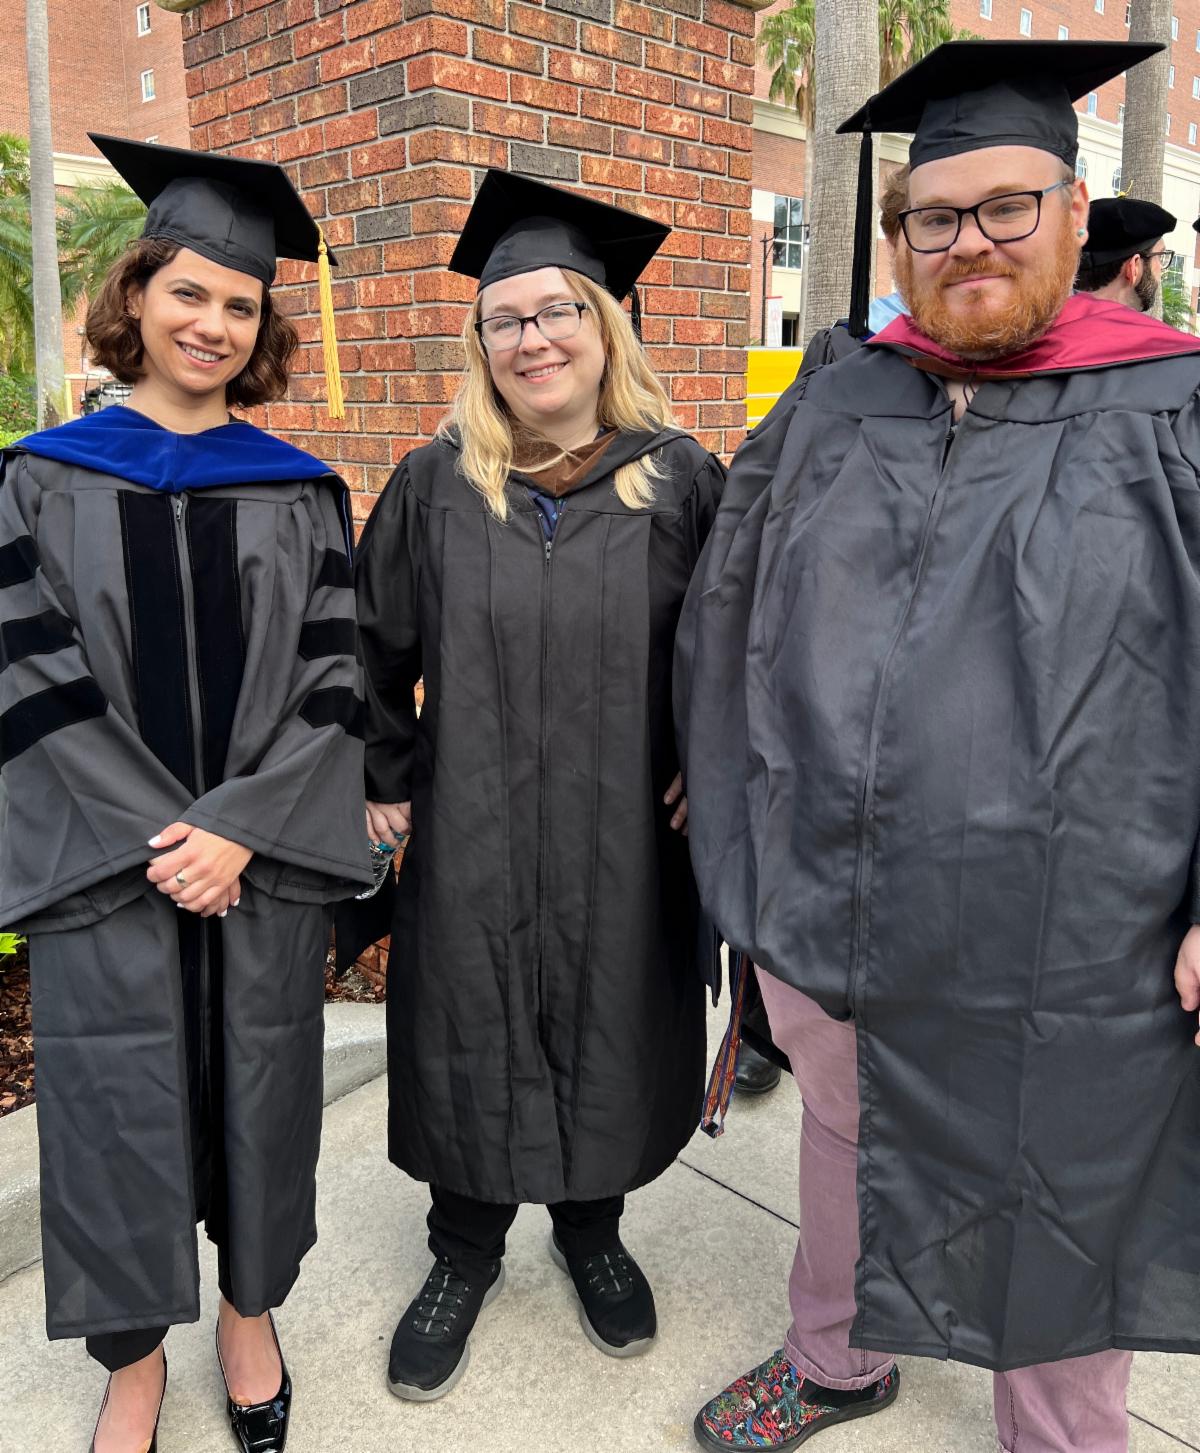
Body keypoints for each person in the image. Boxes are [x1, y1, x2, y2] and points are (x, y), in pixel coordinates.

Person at [678, 38, 1200, 1453]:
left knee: (1064, 1177)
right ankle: (836, 1354)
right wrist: (729, 806)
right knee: (848, 1132)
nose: (967, 241)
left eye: (1005, 208)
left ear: (1075, 215)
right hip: (839, 895)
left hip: (1078, 920)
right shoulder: (840, 395)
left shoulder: (1172, 407)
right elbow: (731, 610)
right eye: (935, 215)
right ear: (900, 234)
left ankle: (1063, 1437)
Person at [0, 135, 372, 1453]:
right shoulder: (37, 479)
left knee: (264, 1094)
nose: (213, 322)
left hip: (253, 868)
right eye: (189, 292)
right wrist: (168, 835)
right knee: (112, 1111)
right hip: (109, 868)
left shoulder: (304, 494)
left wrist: (238, 827)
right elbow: (25, 682)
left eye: (240, 302)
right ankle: (134, 1361)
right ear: (136, 294)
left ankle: (249, 1315)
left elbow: (336, 689)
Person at [348, 169, 724, 1403]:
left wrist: (705, 771)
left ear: (604, 324)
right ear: (482, 343)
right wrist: (384, 779)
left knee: (613, 1016)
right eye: (505, 319)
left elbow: (736, 654)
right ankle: (464, 1248)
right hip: (477, 830)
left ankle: (590, 1227)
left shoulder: (679, 481)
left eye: (556, 310)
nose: (532, 337)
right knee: (473, 1022)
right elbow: (371, 649)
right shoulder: (437, 483)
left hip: (625, 834)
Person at [1075, 195, 1177, 312]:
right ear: (1134, 267)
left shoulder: (1051, 321)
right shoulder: (1150, 331)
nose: (1162, 269)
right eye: (1160, 255)